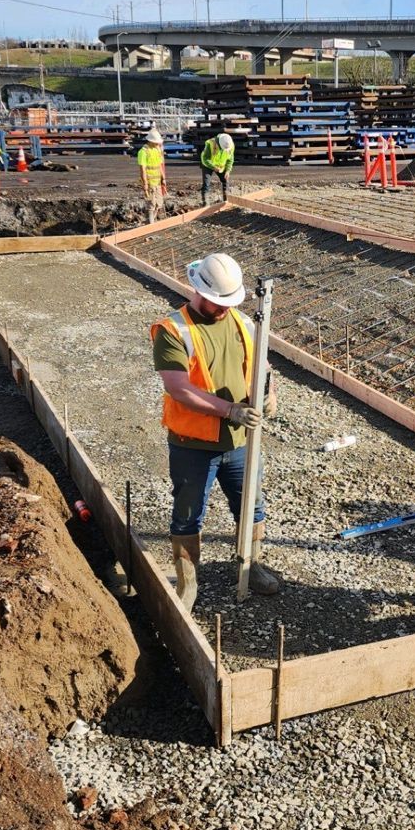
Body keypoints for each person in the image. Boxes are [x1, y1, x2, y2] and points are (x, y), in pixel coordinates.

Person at [150, 251, 280, 612]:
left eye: (229, 302)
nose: (224, 308)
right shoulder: (173, 331)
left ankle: (251, 565)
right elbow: (179, 388)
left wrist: (269, 393)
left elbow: (262, 364)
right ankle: (188, 582)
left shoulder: (243, 322)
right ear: (199, 291)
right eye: (217, 302)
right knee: (188, 512)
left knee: (251, 503)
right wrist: (230, 410)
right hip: (193, 444)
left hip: (240, 441)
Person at [136, 127, 167, 218]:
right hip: (150, 183)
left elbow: (159, 165)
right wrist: (145, 184)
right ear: (151, 141)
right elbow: (142, 169)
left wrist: (163, 178)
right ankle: (151, 221)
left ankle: (152, 220)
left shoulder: (157, 150)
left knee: (159, 203)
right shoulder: (143, 152)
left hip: (157, 182)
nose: (158, 144)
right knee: (151, 204)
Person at [199, 130, 235, 205]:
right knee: (206, 184)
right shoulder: (210, 143)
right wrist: (213, 167)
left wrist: (228, 170)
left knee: (225, 181)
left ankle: (226, 201)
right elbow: (204, 158)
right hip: (208, 165)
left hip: (221, 166)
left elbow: (230, 159)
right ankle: (205, 204)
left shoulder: (230, 145)